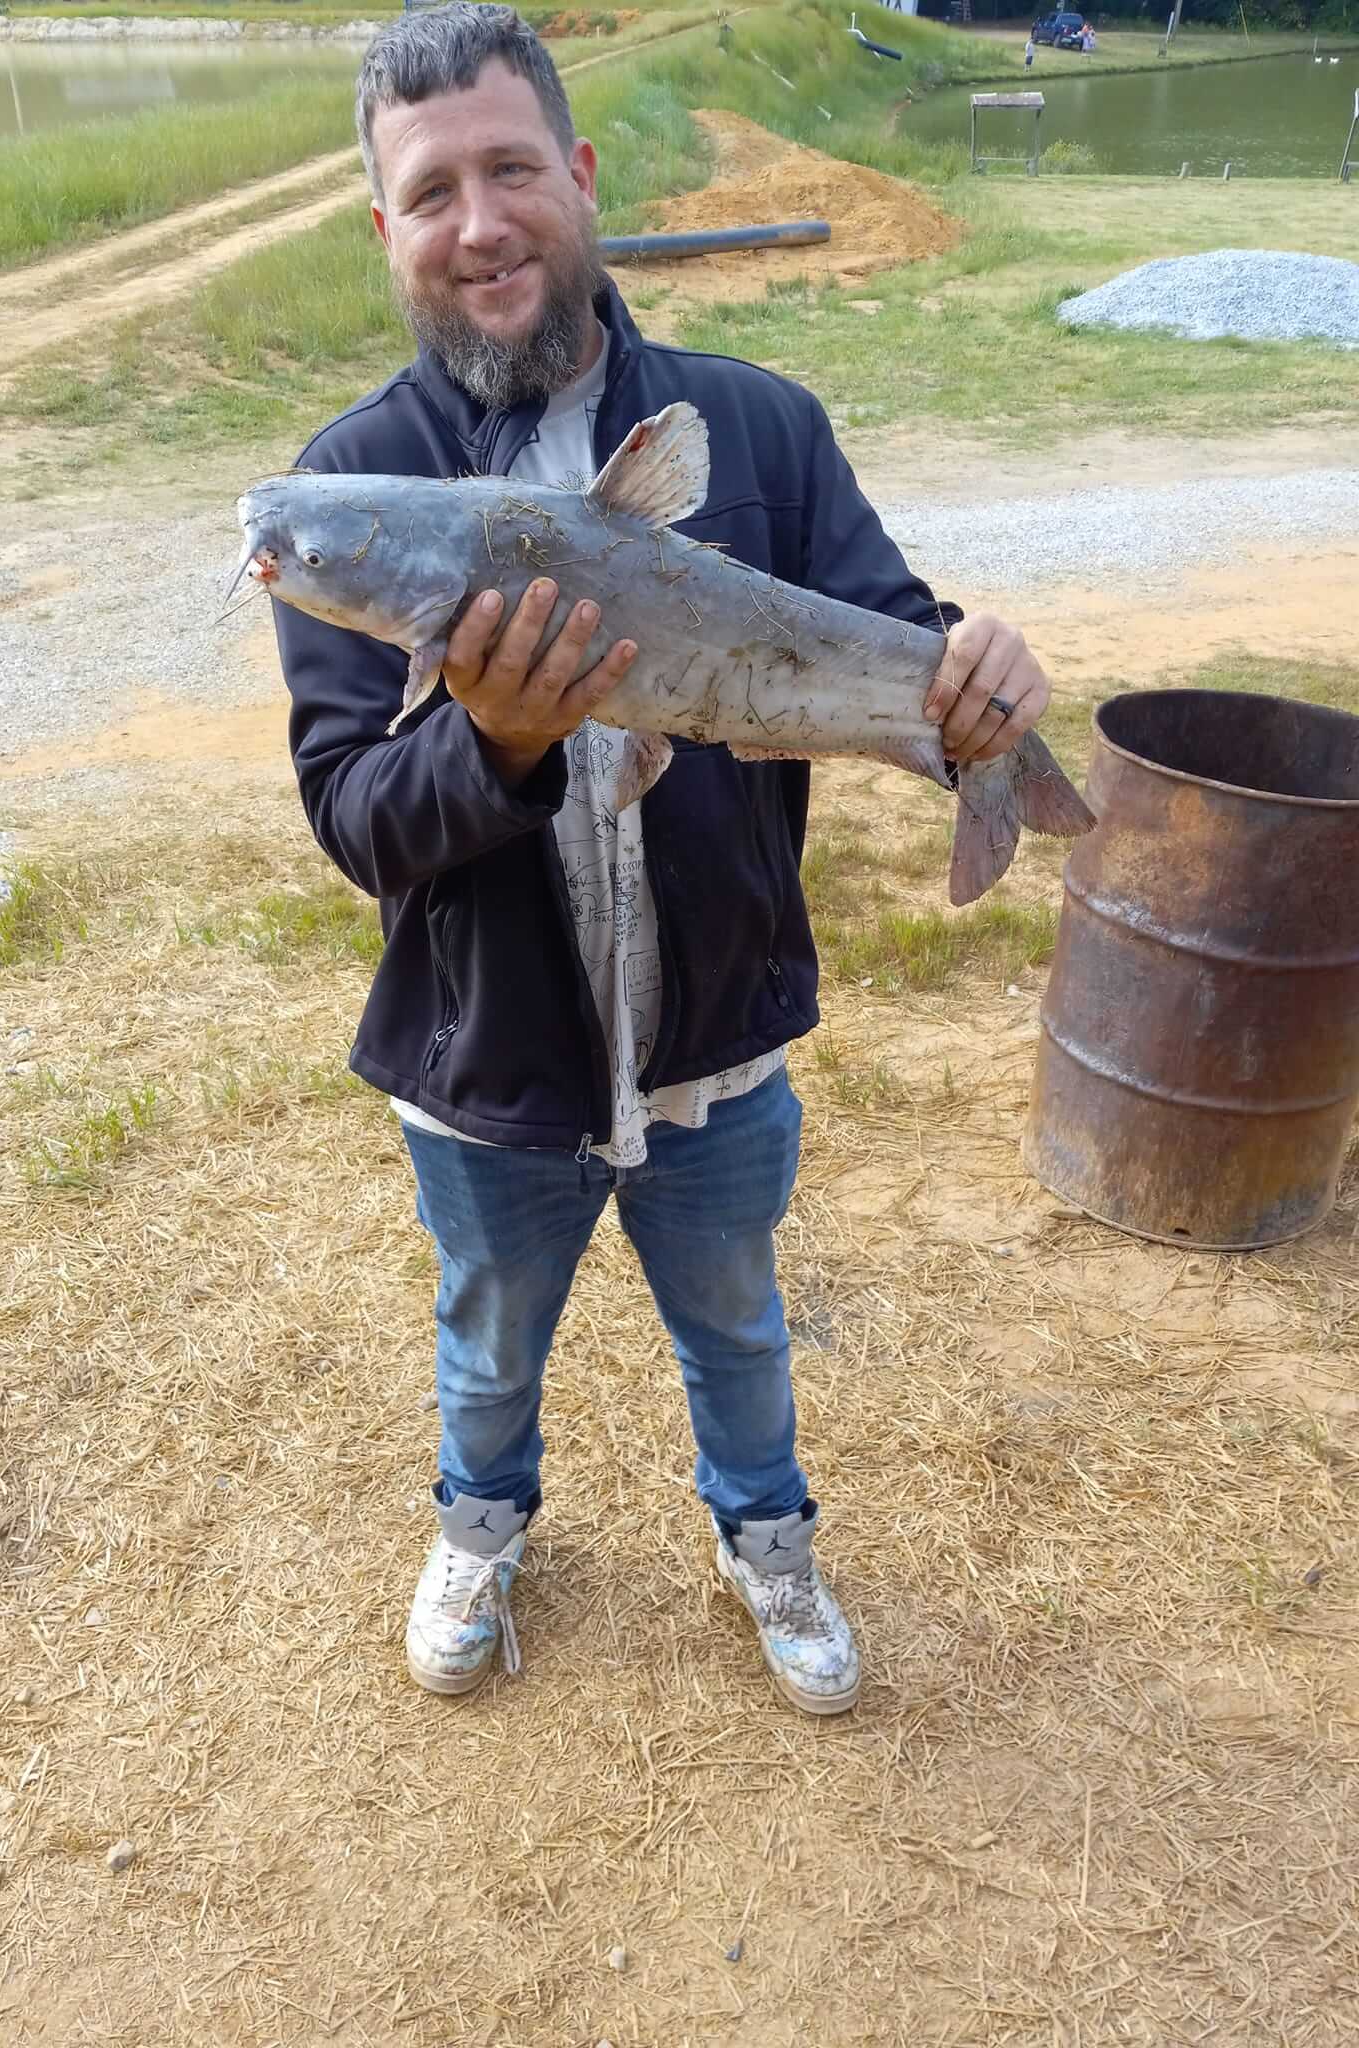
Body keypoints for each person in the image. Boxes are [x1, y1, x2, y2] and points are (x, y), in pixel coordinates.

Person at [271, 3, 1053, 1716]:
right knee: (487, 1344)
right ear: (384, 230)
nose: (479, 223)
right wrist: (496, 740)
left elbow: (889, 630)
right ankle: (481, 1522)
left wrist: (974, 673)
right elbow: (356, 820)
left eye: (509, 168)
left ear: (581, 175)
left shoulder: (756, 430)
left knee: (741, 1328)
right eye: (430, 193)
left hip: (717, 1042)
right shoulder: (352, 491)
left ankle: (767, 1530)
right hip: (489, 1066)